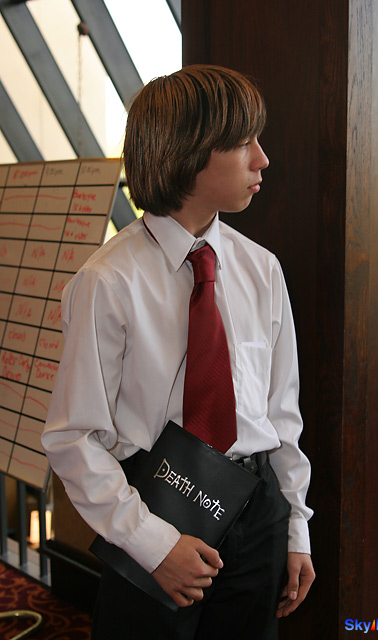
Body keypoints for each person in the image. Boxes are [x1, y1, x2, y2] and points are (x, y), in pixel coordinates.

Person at [42, 64, 315, 640]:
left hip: (256, 505)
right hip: (153, 503)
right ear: (188, 153)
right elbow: (73, 437)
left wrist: (295, 528)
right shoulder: (108, 282)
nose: (262, 159)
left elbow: (281, 415)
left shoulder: (261, 269)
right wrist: (152, 544)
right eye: (243, 143)